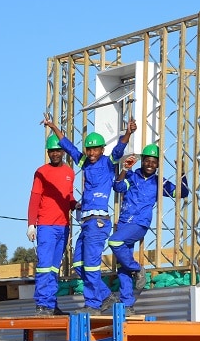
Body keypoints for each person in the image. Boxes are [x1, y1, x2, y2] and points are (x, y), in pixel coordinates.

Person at [42, 115, 135, 315]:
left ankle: (93, 305)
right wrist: (53, 126)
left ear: (102, 149)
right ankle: (106, 296)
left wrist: (128, 132)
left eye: (95, 149)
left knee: (91, 265)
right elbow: (68, 147)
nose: (92, 153)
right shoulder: (85, 163)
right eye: (89, 149)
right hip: (86, 222)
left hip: (98, 221)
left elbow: (119, 148)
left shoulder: (109, 163)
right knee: (78, 264)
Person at [102, 144, 189, 316]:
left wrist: (181, 171)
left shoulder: (159, 182)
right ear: (142, 161)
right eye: (147, 161)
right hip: (124, 223)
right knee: (122, 267)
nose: (150, 164)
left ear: (158, 165)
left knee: (114, 241)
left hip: (139, 224)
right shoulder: (132, 176)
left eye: (154, 162)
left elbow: (183, 193)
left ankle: (137, 269)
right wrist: (125, 169)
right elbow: (118, 187)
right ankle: (127, 305)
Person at [27, 134, 79, 317]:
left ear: (63, 152)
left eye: (58, 150)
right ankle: (42, 304)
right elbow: (34, 198)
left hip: (63, 226)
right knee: (44, 266)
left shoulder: (69, 173)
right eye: (52, 151)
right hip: (46, 226)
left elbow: (68, 197)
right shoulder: (41, 172)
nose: (55, 154)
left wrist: (76, 205)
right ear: (48, 153)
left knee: (55, 268)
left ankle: (51, 303)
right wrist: (31, 224)